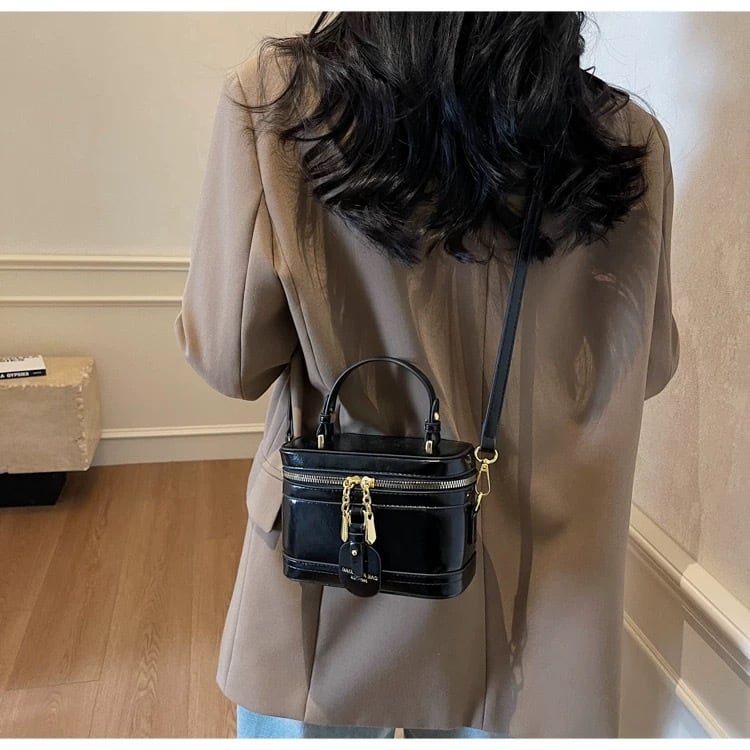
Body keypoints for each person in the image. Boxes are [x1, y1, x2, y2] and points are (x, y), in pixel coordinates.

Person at [174, 11, 679, 739]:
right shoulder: (625, 140)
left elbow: (231, 359)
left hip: (343, 569)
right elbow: (648, 366)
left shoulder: (280, 102)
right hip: (538, 603)